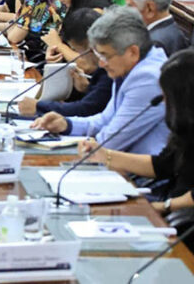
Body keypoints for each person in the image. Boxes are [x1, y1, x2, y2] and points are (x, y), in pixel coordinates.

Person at [31, 6, 169, 156]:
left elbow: (111, 140)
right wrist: (67, 124)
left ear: (132, 52)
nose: (101, 64)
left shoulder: (147, 79)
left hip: (138, 168)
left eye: (105, 56)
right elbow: (105, 120)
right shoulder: (129, 67)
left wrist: (83, 142)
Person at [78, 50, 194, 215]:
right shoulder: (185, 130)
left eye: (167, 96)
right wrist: (105, 155)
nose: (164, 102)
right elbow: (164, 164)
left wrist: (163, 207)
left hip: (182, 216)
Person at [16, 8, 113, 118]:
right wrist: (86, 89)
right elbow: (98, 103)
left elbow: (86, 109)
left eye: (76, 50)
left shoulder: (109, 69)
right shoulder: (103, 70)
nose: (80, 57)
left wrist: (39, 107)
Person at [125, 0, 190, 55]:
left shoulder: (153, 46)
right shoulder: (177, 32)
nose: (126, 12)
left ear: (149, 9)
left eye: (130, 6)